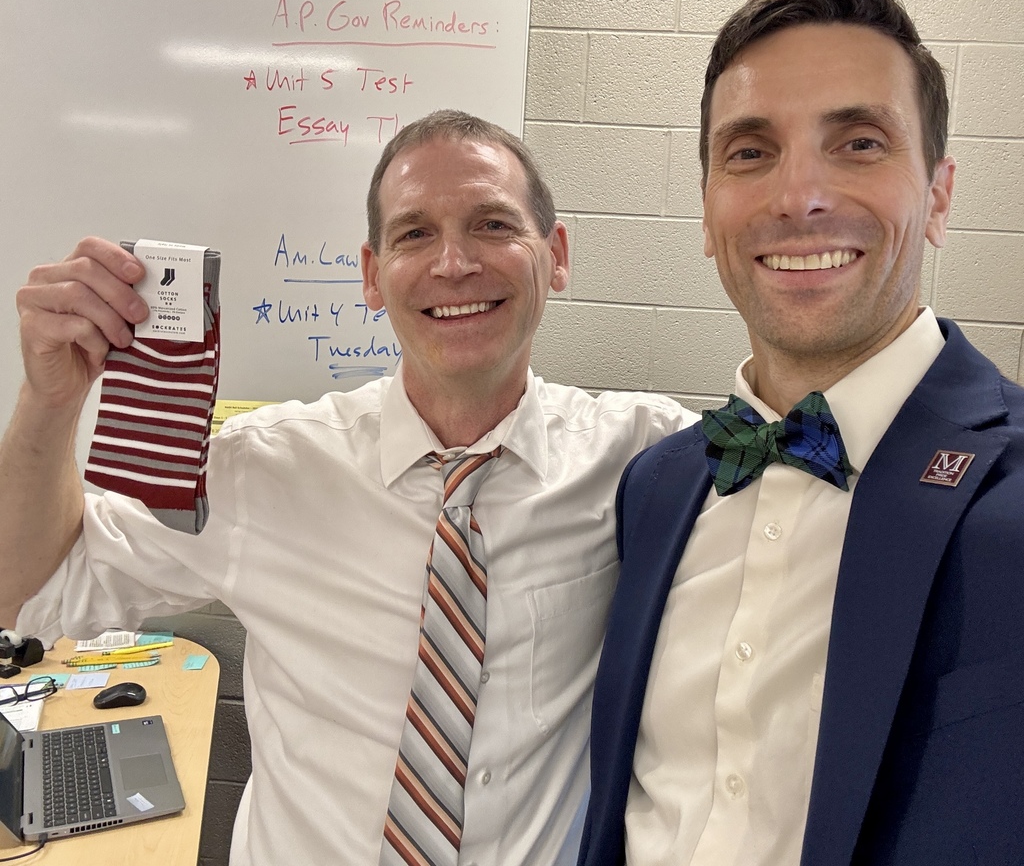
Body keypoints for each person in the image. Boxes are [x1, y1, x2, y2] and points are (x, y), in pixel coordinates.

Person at [0, 110, 697, 866]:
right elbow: (29, 589)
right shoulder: (263, 468)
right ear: (371, 274)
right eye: (414, 234)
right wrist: (49, 401)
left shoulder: (643, 459)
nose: (454, 263)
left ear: (555, 255)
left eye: (494, 225)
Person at [578, 0, 1024, 866]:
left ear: (937, 195)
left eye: (859, 142)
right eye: (750, 153)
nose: (799, 196)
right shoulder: (656, 489)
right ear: (706, 208)